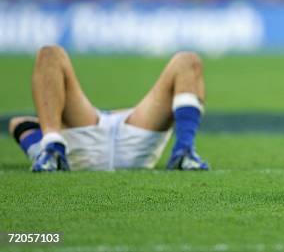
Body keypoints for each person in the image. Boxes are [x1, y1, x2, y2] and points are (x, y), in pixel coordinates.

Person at [9, 45, 209, 172]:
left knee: (187, 60)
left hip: (90, 137)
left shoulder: (38, 123)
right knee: (49, 53)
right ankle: (185, 150)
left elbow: (17, 123)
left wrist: (45, 131)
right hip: (130, 139)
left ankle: (50, 150)